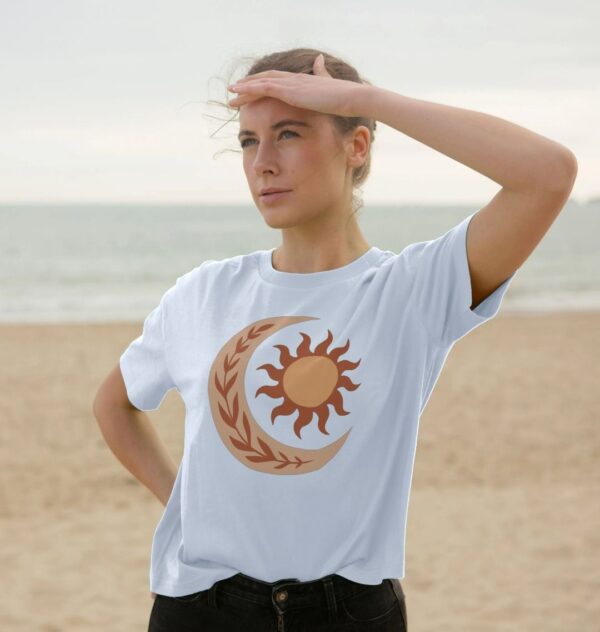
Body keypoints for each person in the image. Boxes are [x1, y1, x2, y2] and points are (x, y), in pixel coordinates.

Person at [92, 47, 577, 632]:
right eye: (249, 141)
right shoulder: (204, 293)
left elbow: (547, 174)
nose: (262, 163)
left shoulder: (411, 290)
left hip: (348, 614)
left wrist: (365, 102)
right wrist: (181, 502)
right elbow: (115, 404)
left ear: (357, 147)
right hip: (201, 608)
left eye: (289, 133)